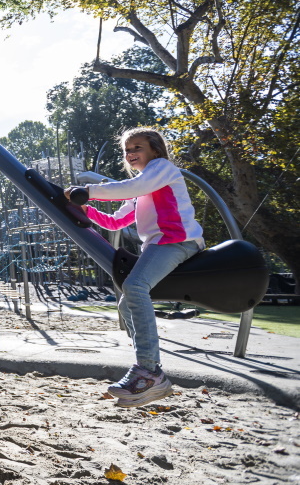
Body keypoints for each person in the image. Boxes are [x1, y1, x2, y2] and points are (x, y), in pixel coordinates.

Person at [65, 127, 204, 408]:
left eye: (137, 148)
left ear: (155, 150)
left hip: (177, 241)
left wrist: (87, 192)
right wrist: (86, 210)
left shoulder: (161, 169)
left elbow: (130, 187)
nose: (130, 154)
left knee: (134, 286)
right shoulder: (142, 188)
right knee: (126, 304)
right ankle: (147, 370)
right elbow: (115, 222)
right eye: (127, 150)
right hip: (158, 245)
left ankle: (149, 371)